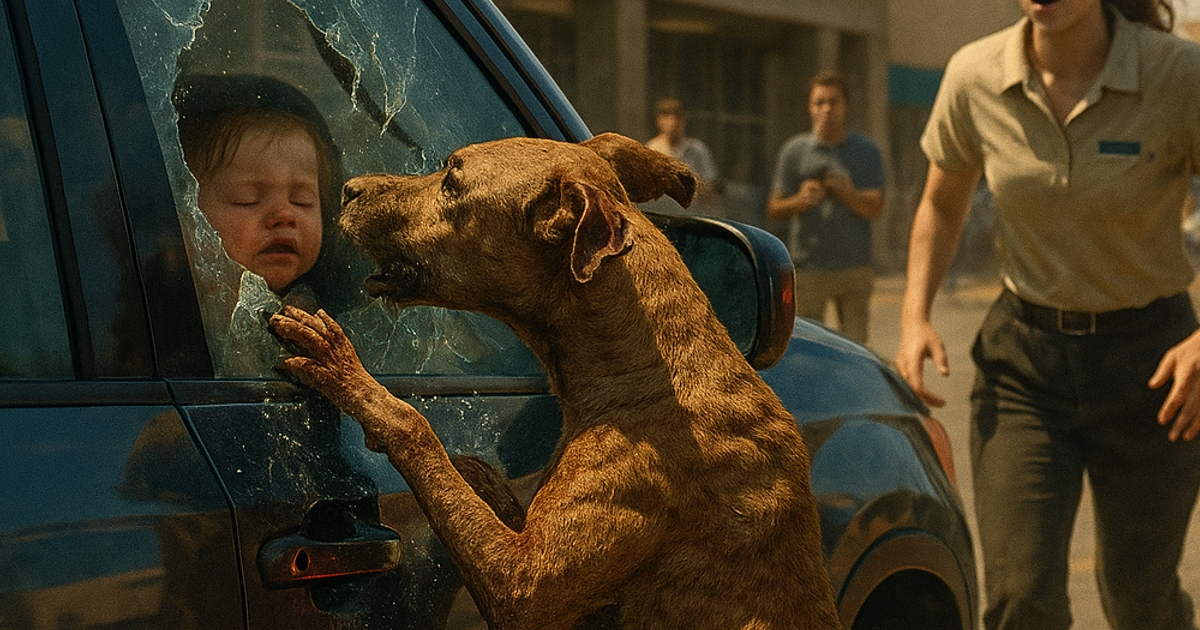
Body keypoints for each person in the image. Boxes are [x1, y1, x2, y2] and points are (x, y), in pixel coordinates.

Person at [894, 1, 1200, 628]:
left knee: (1139, 599)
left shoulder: (1177, 74)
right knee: (1019, 596)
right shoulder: (975, 73)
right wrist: (914, 315)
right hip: (1024, 369)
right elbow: (942, 204)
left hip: (1153, 370)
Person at [174, 74, 356, 311]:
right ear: (186, 214)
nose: (285, 215)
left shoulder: (324, 314)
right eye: (247, 200)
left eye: (302, 201)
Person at [766, 72, 885, 344]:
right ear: (810, 107)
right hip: (808, 266)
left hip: (854, 265)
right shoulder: (794, 150)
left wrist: (847, 193)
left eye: (833, 102)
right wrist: (801, 200)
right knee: (808, 346)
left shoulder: (866, 151)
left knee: (855, 347)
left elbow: (876, 207)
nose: (827, 109)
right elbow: (773, 208)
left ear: (846, 106)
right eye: (819, 102)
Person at [645, 98, 722, 213]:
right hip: (661, 214)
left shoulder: (696, 149)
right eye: (667, 117)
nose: (672, 122)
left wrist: (689, 180)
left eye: (677, 117)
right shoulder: (650, 150)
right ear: (659, 120)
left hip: (692, 215)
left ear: (684, 119)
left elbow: (711, 190)